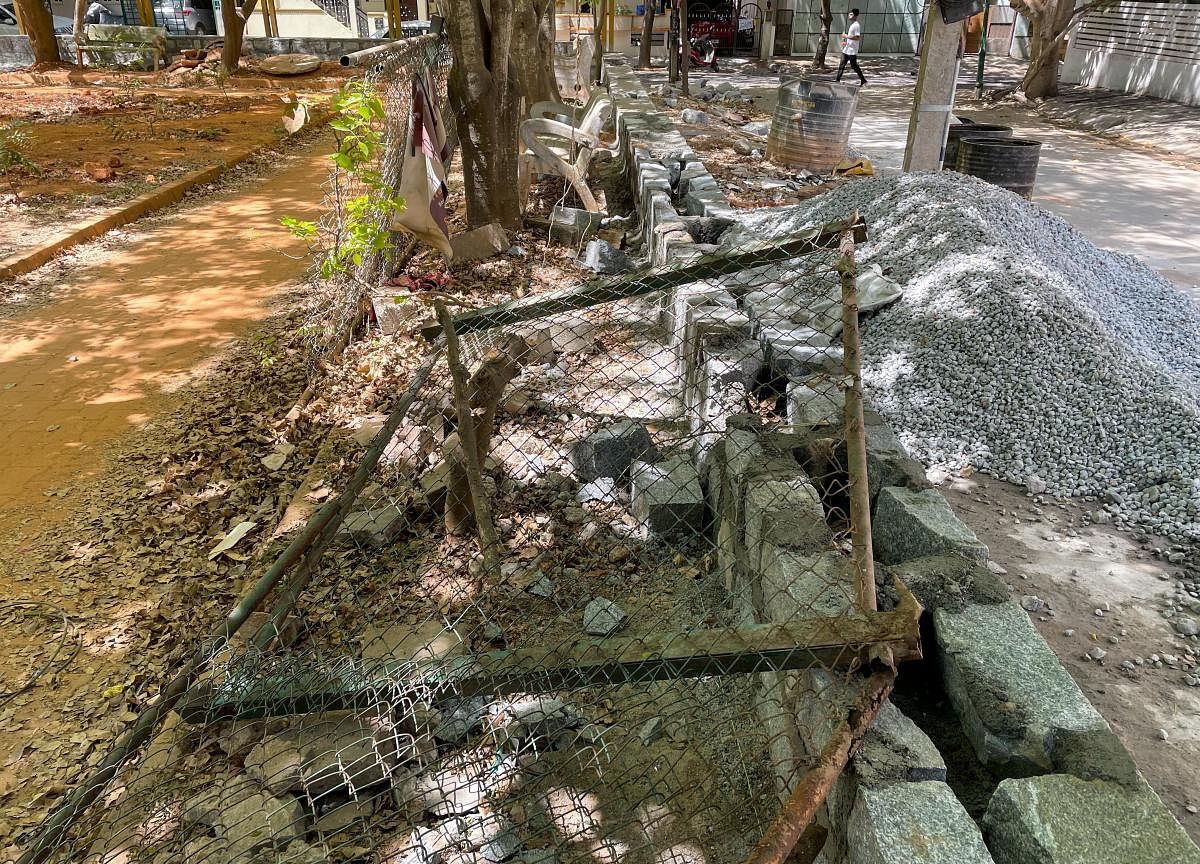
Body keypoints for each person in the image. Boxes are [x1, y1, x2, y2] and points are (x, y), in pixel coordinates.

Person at [835, 8, 866, 86]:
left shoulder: (856, 25)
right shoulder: (852, 25)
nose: (849, 15)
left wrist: (846, 36)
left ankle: (863, 80)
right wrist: (845, 43)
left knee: (854, 66)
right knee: (841, 65)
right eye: (849, 14)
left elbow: (857, 37)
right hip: (846, 50)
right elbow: (851, 38)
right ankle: (837, 81)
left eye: (851, 14)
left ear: (856, 16)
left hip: (852, 51)